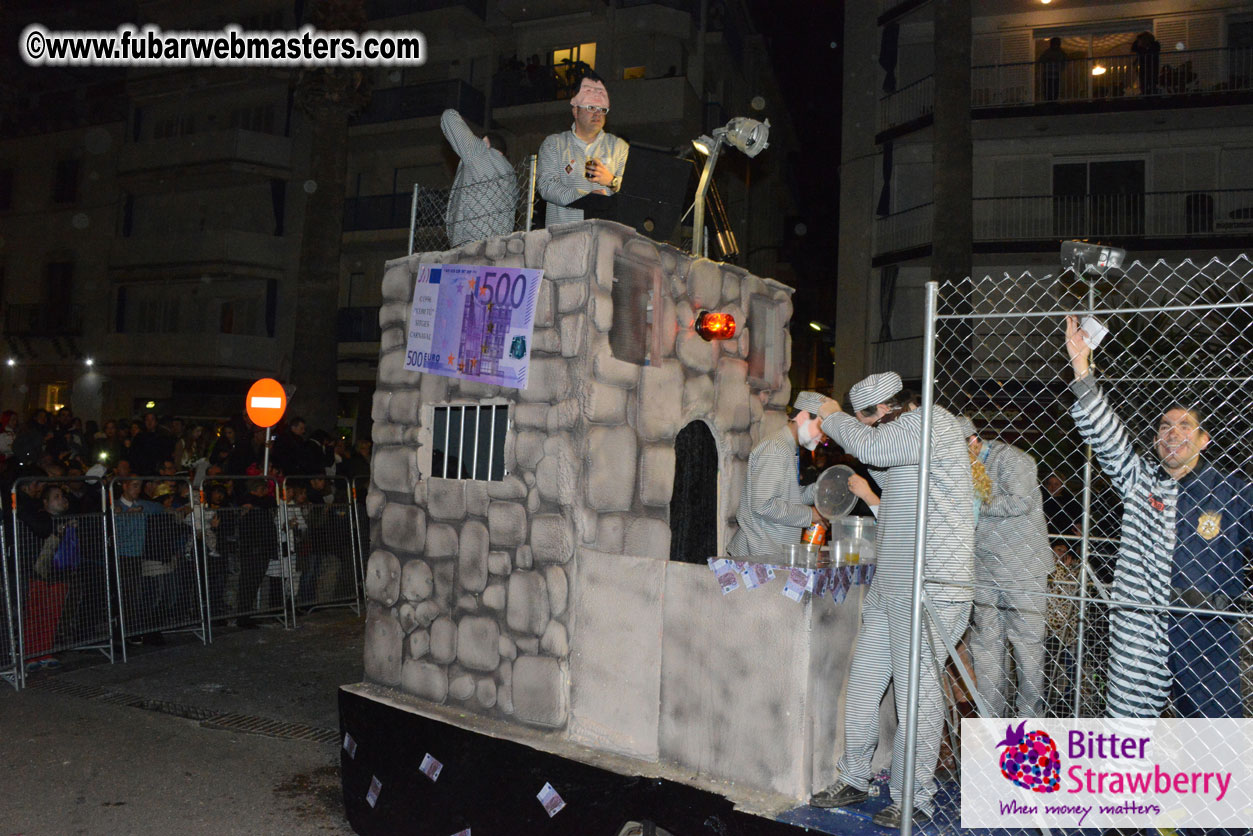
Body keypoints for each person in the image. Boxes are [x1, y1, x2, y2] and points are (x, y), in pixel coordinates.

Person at [1064, 316, 1253, 719]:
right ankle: (1122, 782)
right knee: (1126, 734)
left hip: (1206, 631)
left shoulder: (1233, 493)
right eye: (1165, 426)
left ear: (1203, 440)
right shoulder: (1139, 481)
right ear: (1155, 439)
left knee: (1215, 737)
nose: (1173, 433)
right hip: (1139, 630)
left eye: (1185, 426)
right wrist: (1082, 368)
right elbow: (1106, 435)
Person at [809, 372, 974, 829]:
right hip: (893, 582)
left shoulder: (932, 422)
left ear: (883, 411)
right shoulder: (905, 439)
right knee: (864, 684)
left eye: (871, 421)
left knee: (914, 695)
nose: (871, 432)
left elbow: (874, 449)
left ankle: (911, 795)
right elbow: (880, 463)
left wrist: (833, 418)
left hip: (932, 586)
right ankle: (855, 777)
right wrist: (857, 433)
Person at [955, 415, 1052, 718]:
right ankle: (990, 722)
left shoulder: (1011, 459)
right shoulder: (962, 469)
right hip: (984, 569)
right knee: (985, 649)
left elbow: (1020, 502)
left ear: (972, 441)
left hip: (1023, 568)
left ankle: (1029, 722)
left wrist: (972, 504)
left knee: (1028, 648)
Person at [727, 391, 830, 557]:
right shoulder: (776, 449)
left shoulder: (787, 448)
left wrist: (819, 489)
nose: (824, 435)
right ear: (803, 417)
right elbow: (763, 505)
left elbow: (788, 499)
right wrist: (810, 514)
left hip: (768, 554)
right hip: (758, 556)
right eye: (822, 426)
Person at [536, 73, 629, 227]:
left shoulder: (619, 147)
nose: (597, 113)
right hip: (564, 237)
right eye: (591, 107)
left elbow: (633, 194)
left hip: (604, 239)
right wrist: (587, 199)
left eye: (602, 109)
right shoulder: (554, 144)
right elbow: (546, 185)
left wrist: (612, 181)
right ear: (575, 111)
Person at [440, 108, 518, 247]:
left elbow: (448, 116)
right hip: (498, 245)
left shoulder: (479, 153)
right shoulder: (511, 176)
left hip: (470, 242)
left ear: (486, 142)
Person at [1036, 37, 1067, 102]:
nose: (1056, 45)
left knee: (1055, 89)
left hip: (1056, 74)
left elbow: (1065, 60)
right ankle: (1049, 102)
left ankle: (1054, 101)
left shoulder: (1061, 52)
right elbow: (1041, 60)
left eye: (1057, 43)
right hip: (1048, 75)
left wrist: (1062, 68)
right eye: (1055, 43)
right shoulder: (1048, 52)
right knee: (1048, 90)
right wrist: (1049, 60)